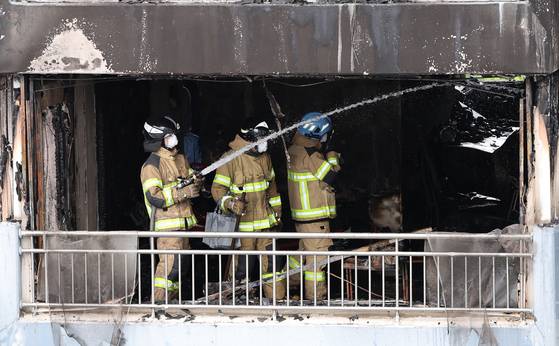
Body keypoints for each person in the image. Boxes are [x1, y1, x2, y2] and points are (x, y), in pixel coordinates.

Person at [211, 118, 285, 300]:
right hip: (242, 228)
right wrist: (231, 203)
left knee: (273, 268)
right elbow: (217, 190)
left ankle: (277, 304)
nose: (265, 144)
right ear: (249, 139)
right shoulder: (230, 159)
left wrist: (277, 214)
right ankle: (237, 306)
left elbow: (272, 188)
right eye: (261, 139)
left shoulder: (265, 157)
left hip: (266, 225)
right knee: (241, 271)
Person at [140, 116, 202, 303]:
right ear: (159, 140)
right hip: (167, 230)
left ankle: (171, 303)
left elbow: (191, 179)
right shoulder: (152, 165)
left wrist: (196, 182)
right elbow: (154, 197)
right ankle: (158, 304)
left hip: (184, 227)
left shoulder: (180, 159)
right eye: (169, 136)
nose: (174, 139)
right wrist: (182, 193)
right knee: (168, 269)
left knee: (179, 269)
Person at [287, 112, 341, 301]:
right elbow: (332, 176)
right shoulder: (311, 155)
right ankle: (316, 298)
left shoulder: (295, 149)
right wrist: (332, 154)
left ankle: (286, 286)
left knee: (302, 255)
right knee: (317, 260)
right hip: (315, 218)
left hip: (303, 218)